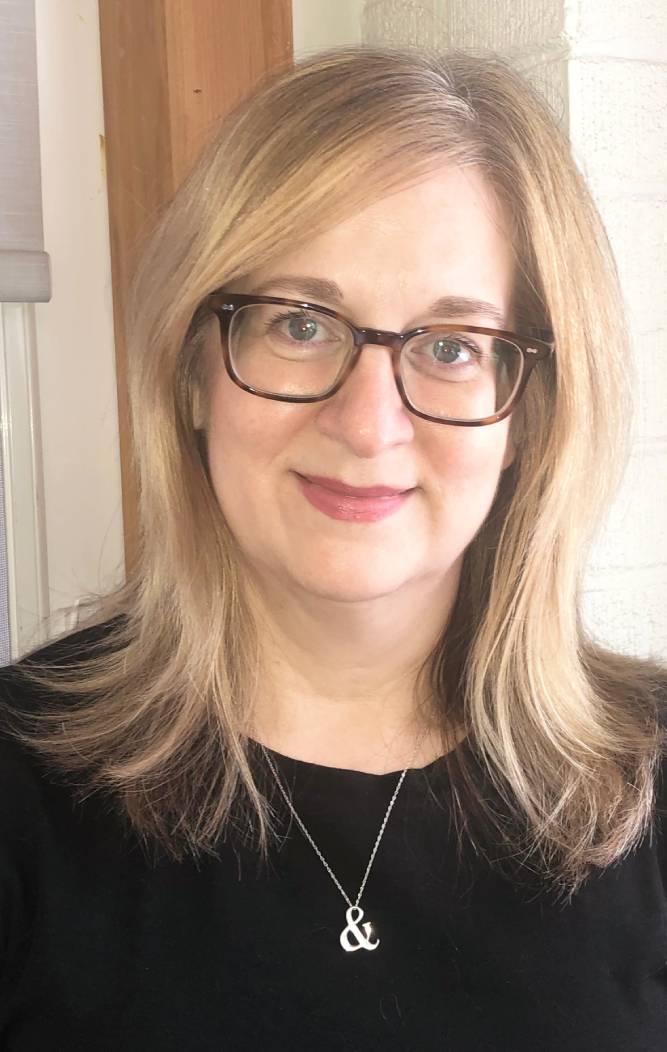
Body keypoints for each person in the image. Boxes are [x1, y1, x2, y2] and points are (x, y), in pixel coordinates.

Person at [0, 44, 665, 1051]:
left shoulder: (649, 777)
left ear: (527, 412)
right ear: (192, 372)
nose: (366, 423)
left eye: (449, 346)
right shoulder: (20, 789)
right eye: (300, 322)